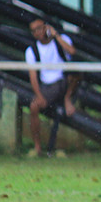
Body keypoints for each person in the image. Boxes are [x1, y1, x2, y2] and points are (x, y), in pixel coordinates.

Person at [25, 18, 79, 157]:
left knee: (76, 73)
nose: (38, 32)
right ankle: (37, 147)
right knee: (33, 107)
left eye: (40, 28)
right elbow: (33, 76)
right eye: (34, 30)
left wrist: (55, 36)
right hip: (48, 86)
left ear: (46, 27)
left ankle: (67, 99)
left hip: (64, 81)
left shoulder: (61, 40)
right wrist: (39, 95)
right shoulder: (31, 51)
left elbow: (72, 51)